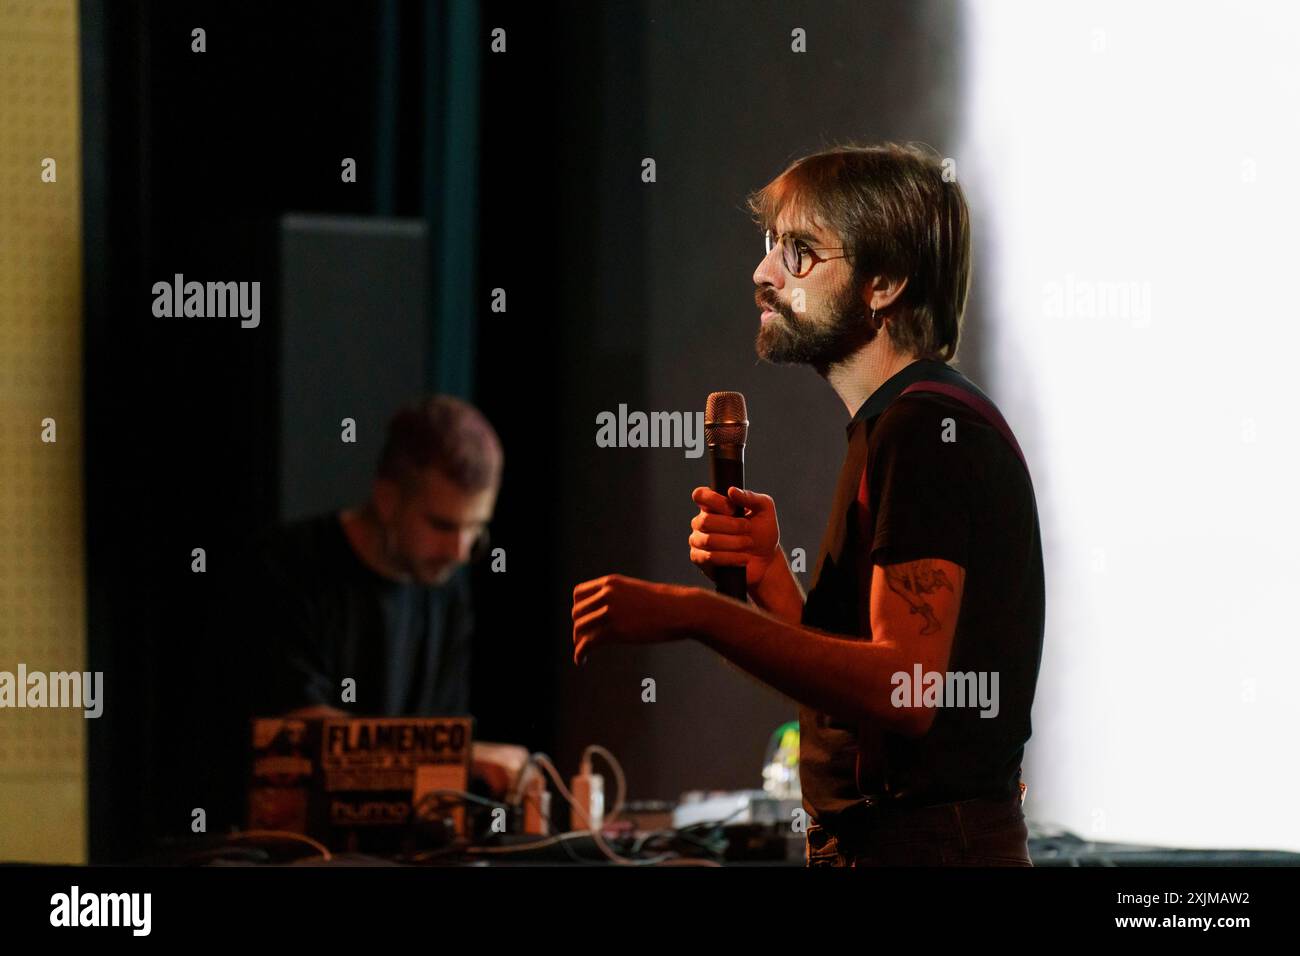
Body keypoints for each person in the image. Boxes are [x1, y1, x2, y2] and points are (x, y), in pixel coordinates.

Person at [570, 142, 1045, 867]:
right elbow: (865, 696)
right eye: (770, 246)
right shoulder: (893, 426)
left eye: (799, 252)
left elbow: (904, 690)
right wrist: (769, 581)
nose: (762, 275)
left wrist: (699, 615)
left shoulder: (925, 431)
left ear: (883, 282)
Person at [249, 394, 501, 718]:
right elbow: (301, 731)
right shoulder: (285, 566)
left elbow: (443, 739)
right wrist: (467, 755)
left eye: (476, 529)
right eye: (442, 525)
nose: (461, 551)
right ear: (387, 498)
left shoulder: (447, 594)